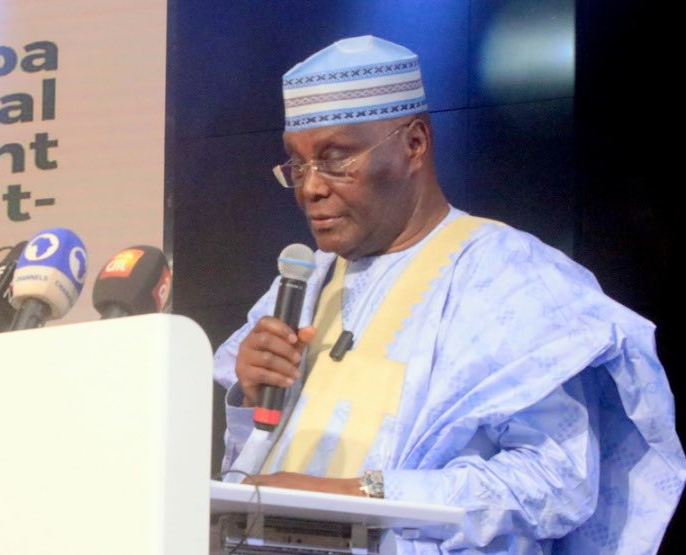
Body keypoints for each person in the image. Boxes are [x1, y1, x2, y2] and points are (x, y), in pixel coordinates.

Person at [213, 35, 685, 553]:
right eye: (298, 165)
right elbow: (251, 475)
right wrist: (253, 398)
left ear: (414, 143)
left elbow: (555, 481)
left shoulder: (515, 277)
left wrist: (360, 496)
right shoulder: (301, 287)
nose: (311, 187)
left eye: (335, 158)